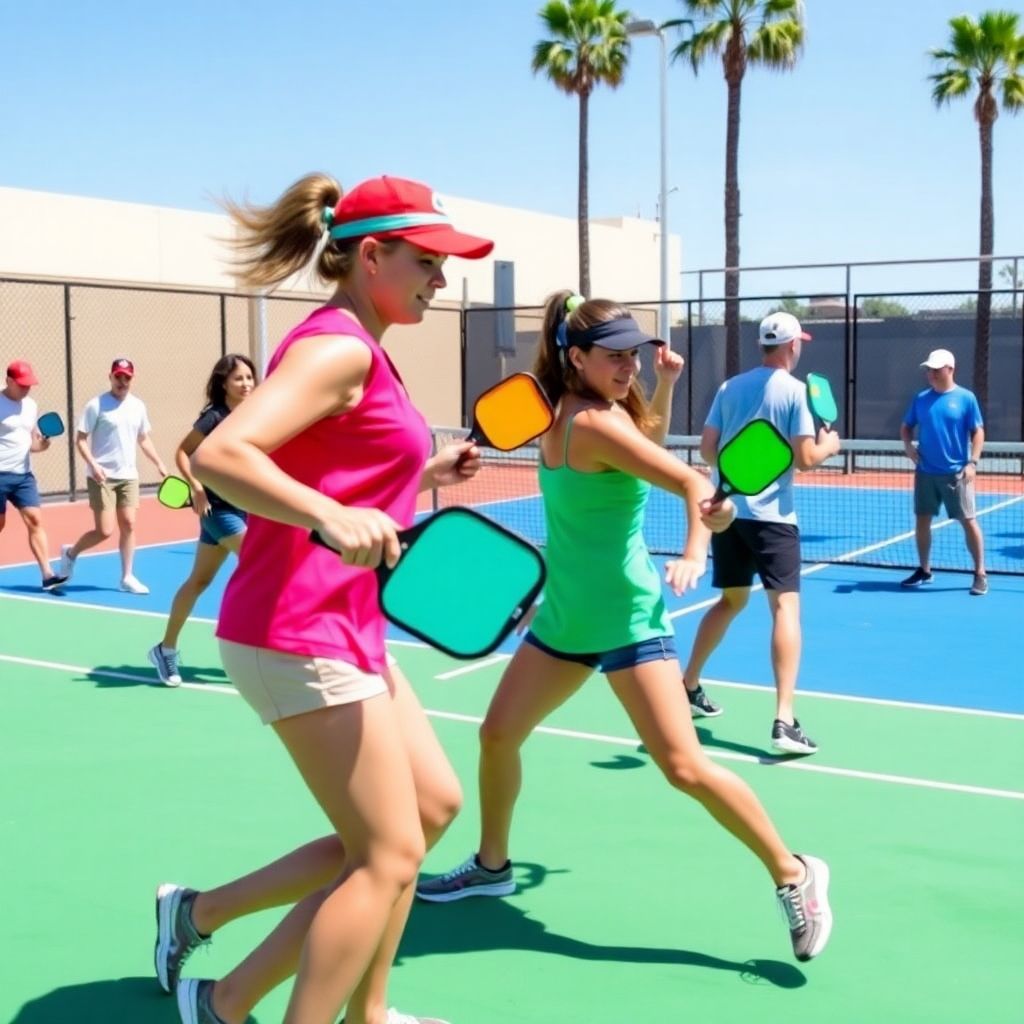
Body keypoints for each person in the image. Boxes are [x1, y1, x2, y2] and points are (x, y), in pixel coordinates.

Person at [158, 173, 493, 1024]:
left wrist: (420, 473)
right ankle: (251, 999)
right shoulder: (337, 346)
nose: (440, 280)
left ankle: (287, 985)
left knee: (430, 811)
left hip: (344, 623)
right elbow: (227, 456)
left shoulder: (363, 346)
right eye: (427, 261)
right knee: (385, 853)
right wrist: (330, 514)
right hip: (293, 626)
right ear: (371, 254)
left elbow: (327, 470)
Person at [415, 293, 834, 966]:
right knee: (497, 736)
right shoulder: (564, 415)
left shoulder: (598, 425)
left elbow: (691, 482)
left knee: (683, 766)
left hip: (626, 619)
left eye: (634, 356)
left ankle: (794, 873)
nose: (629, 367)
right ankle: (492, 867)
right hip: (566, 617)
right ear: (574, 358)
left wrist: (699, 545)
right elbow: (654, 446)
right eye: (615, 357)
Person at [679, 311, 840, 756]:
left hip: (727, 513)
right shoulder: (797, 392)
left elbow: (707, 449)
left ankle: (687, 686)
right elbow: (805, 458)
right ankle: (784, 720)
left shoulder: (730, 387)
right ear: (792, 346)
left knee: (731, 600)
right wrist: (831, 444)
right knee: (785, 607)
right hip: (773, 520)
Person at [148, 354, 257, 686]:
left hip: (245, 506)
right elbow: (183, 451)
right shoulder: (214, 418)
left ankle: (165, 649)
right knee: (259, 563)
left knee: (199, 581)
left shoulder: (254, 416)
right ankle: (247, 642)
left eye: (250, 378)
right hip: (217, 509)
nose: (246, 384)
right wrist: (196, 487)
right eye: (239, 378)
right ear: (223, 383)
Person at [59, 357, 168, 594]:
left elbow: (143, 438)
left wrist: (158, 461)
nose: (122, 381)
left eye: (126, 377)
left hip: (129, 475)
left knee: (128, 524)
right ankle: (70, 554)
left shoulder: (138, 406)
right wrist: (94, 465)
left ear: (132, 379)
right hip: (102, 476)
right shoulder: (96, 405)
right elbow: (80, 439)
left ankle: (127, 576)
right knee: (104, 531)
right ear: (110, 377)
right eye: (118, 376)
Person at [899, 348, 987, 595]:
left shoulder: (966, 398)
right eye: (929, 369)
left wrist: (973, 462)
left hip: (957, 474)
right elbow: (906, 427)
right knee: (922, 520)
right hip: (925, 473)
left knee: (968, 521)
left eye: (936, 370)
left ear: (950, 369)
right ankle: (924, 570)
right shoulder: (920, 399)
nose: (931, 374)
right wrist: (907, 446)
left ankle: (980, 573)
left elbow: (978, 431)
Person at [0, 360, 68, 591]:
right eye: (22, 384)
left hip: (23, 476)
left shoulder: (31, 406)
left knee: (35, 520)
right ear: (9, 381)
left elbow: (33, 445)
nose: (27, 388)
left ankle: (47, 575)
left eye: (29, 384)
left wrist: (44, 443)